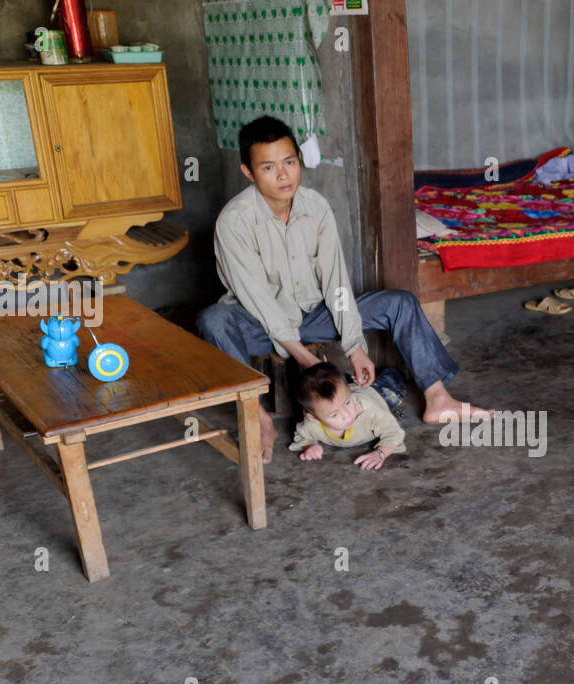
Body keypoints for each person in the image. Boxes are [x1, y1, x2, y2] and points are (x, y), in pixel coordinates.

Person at [197, 116, 490, 462]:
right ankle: (257, 417)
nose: (283, 175)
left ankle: (438, 397)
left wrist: (354, 346)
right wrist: (304, 357)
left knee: (399, 302)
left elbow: (335, 281)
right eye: (269, 167)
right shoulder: (234, 222)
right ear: (248, 172)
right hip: (257, 323)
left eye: (290, 162)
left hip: (315, 313)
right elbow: (259, 301)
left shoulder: (316, 207)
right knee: (212, 320)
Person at [288, 362, 405, 471]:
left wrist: (381, 453)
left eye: (348, 403)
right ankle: (348, 385)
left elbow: (394, 433)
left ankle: (393, 373)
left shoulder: (370, 412)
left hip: (375, 393)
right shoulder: (311, 425)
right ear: (314, 419)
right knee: (340, 390)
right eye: (334, 415)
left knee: (392, 387)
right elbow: (301, 435)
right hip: (346, 391)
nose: (347, 415)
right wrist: (310, 446)